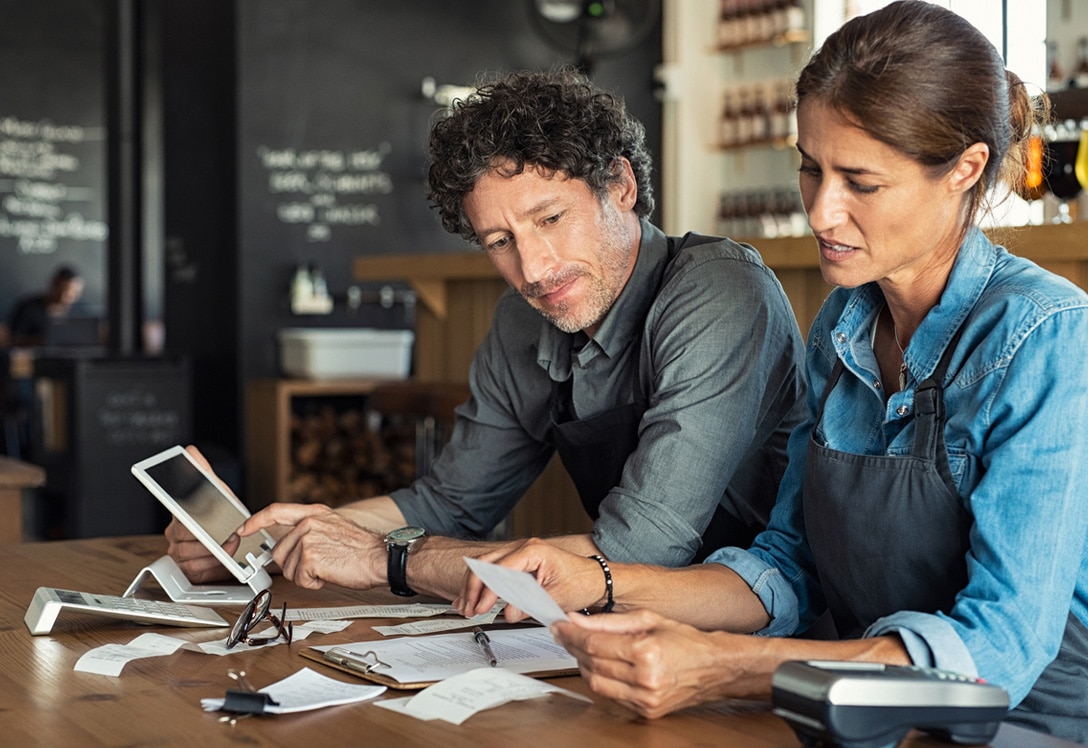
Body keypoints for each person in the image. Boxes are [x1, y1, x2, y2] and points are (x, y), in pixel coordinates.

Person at [455, 3, 1088, 742]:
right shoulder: (842, 329)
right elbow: (788, 568)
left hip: (1029, 726)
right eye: (811, 168)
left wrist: (729, 666)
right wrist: (596, 580)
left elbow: (1000, 651)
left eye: (861, 181)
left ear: (966, 170)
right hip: (856, 718)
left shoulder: (1046, 337)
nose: (821, 211)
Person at [167, 68, 806, 602]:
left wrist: (385, 560)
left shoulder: (719, 293)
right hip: (628, 631)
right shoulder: (523, 319)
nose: (532, 269)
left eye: (550, 218)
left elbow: (637, 550)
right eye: (500, 242)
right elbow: (451, 501)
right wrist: (273, 536)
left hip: (767, 628)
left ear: (621, 187)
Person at [6, 265, 85, 347]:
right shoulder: (28, 308)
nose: (69, 298)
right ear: (54, 284)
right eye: (64, 292)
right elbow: (13, 340)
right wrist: (43, 340)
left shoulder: (81, 311)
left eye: (75, 293)